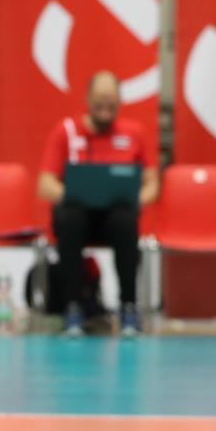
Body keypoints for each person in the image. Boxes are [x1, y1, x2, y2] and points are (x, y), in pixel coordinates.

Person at [38, 70, 159, 338]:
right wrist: (75, 193)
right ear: (88, 99)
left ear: (120, 101)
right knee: (69, 218)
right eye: (100, 99)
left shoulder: (135, 134)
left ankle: (128, 307)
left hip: (114, 218)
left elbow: (152, 183)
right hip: (78, 216)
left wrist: (135, 198)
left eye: (111, 100)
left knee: (125, 220)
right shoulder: (66, 132)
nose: (105, 105)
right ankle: (72, 307)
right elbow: (45, 184)